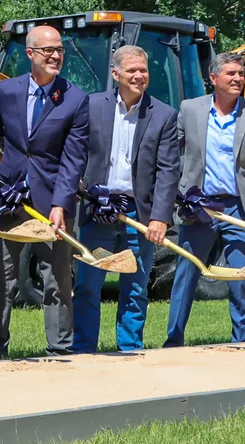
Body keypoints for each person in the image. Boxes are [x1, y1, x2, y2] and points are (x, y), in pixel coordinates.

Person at [0, 24, 89, 357]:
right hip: (10, 200)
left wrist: (61, 204)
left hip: (52, 202)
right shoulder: (8, 91)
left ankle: (60, 349)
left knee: (57, 280)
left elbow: (74, 159)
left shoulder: (75, 98)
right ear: (30, 54)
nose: (55, 56)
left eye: (59, 50)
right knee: (1, 278)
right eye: (47, 51)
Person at [73, 45, 180, 353]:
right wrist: (79, 186)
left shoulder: (164, 115)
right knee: (88, 285)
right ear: (116, 74)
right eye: (132, 70)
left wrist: (160, 216)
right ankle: (83, 350)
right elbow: (77, 152)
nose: (138, 76)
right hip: (98, 210)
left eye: (143, 70)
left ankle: (130, 349)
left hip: (139, 215)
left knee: (135, 287)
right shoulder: (92, 106)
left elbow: (168, 171)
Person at [165, 52, 245, 346]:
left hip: (239, 209)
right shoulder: (190, 110)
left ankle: (241, 342)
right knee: (186, 274)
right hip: (199, 207)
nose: (238, 78)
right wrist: (178, 194)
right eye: (231, 74)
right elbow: (172, 156)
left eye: (241, 74)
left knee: (242, 278)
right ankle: (174, 341)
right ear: (213, 79)